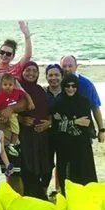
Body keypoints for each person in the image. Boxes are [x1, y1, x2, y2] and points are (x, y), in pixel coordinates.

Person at [51, 74, 99, 195]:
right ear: (63, 86)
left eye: (74, 86)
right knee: (66, 178)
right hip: (64, 147)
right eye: (67, 86)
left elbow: (87, 123)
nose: (70, 88)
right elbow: (56, 126)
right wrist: (76, 121)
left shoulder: (83, 102)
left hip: (82, 146)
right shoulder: (58, 103)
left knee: (85, 176)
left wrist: (65, 124)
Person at [17, 62, 52, 200]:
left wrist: (48, 124)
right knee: (27, 167)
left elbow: (48, 111)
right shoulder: (17, 90)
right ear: (22, 72)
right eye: (28, 70)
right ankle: (29, 196)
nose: (31, 73)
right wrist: (21, 119)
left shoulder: (40, 90)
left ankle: (41, 194)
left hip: (41, 135)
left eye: (34, 71)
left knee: (43, 167)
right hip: (23, 135)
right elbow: (6, 111)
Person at [60, 55, 105, 143]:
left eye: (70, 66)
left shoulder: (86, 84)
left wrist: (102, 130)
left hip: (84, 132)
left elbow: (95, 107)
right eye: (64, 66)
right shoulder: (58, 82)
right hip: (63, 131)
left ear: (76, 66)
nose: (67, 69)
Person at [0, 73, 35, 145]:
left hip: (13, 114)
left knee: (15, 128)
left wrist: (31, 102)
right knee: (4, 128)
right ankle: (6, 143)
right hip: (2, 114)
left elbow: (26, 94)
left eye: (10, 85)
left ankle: (13, 143)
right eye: (5, 85)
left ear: (14, 85)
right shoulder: (0, 96)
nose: (7, 87)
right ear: (1, 85)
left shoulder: (17, 92)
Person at [44, 64, 64, 194]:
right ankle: (44, 190)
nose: (53, 78)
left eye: (56, 75)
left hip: (64, 135)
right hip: (47, 136)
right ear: (46, 77)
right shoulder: (43, 93)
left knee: (62, 164)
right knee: (47, 165)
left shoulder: (67, 92)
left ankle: (60, 190)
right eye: (50, 75)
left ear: (61, 76)